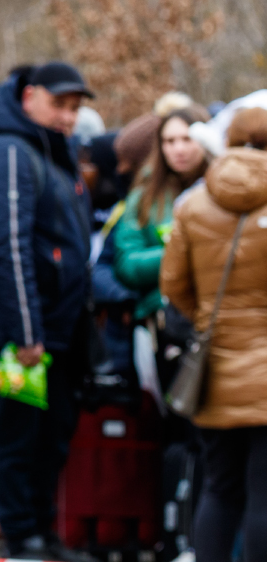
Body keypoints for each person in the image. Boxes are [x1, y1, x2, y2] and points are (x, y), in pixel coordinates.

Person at [0, 62, 93, 559]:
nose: (69, 117)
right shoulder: (6, 151)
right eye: (60, 104)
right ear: (30, 96)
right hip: (17, 334)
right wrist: (27, 332)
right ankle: (22, 539)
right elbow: (5, 245)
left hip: (52, 330)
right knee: (16, 441)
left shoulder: (48, 149)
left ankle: (40, 535)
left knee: (46, 440)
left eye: (76, 108)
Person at [161, 107, 267, 562]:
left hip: (215, 371)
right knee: (265, 493)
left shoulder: (193, 205)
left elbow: (172, 284)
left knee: (220, 488)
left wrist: (209, 318)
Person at [112, 108, 209, 321]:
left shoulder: (227, 191)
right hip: (164, 314)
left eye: (187, 138)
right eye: (170, 141)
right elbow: (126, 264)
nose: (179, 149)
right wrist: (180, 252)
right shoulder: (144, 196)